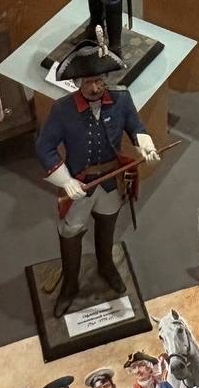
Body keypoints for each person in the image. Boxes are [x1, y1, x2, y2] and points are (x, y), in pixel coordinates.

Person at [35, 29, 159, 317]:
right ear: (78, 82)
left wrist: (145, 143)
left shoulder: (122, 100)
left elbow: (136, 127)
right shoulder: (62, 110)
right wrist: (65, 180)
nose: (95, 87)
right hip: (79, 184)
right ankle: (70, 284)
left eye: (100, 80)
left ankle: (106, 265)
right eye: (89, 81)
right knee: (70, 233)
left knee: (107, 225)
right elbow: (44, 147)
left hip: (110, 183)